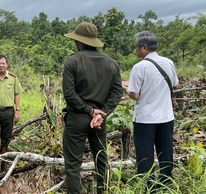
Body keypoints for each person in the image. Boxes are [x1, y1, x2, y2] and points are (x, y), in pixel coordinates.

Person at [62, 22, 123, 194]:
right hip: (99, 120)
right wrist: (101, 113)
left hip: (77, 118)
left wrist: (89, 111)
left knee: (73, 165)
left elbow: (69, 93)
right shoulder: (111, 63)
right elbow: (117, 92)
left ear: (79, 41)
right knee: (101, 160)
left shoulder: (72, 61)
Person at [122, 31, 179, 189]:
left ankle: (148, 187)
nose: (135, 51)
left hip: (145, 119)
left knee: (145, 155)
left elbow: (135, 95)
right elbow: (174, 84)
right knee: (166, 152)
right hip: (166, 117)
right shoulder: (168, 62)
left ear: (144, 48)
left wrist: (124, 87)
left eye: (136, 48)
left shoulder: (139, 67)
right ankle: (166, 184)